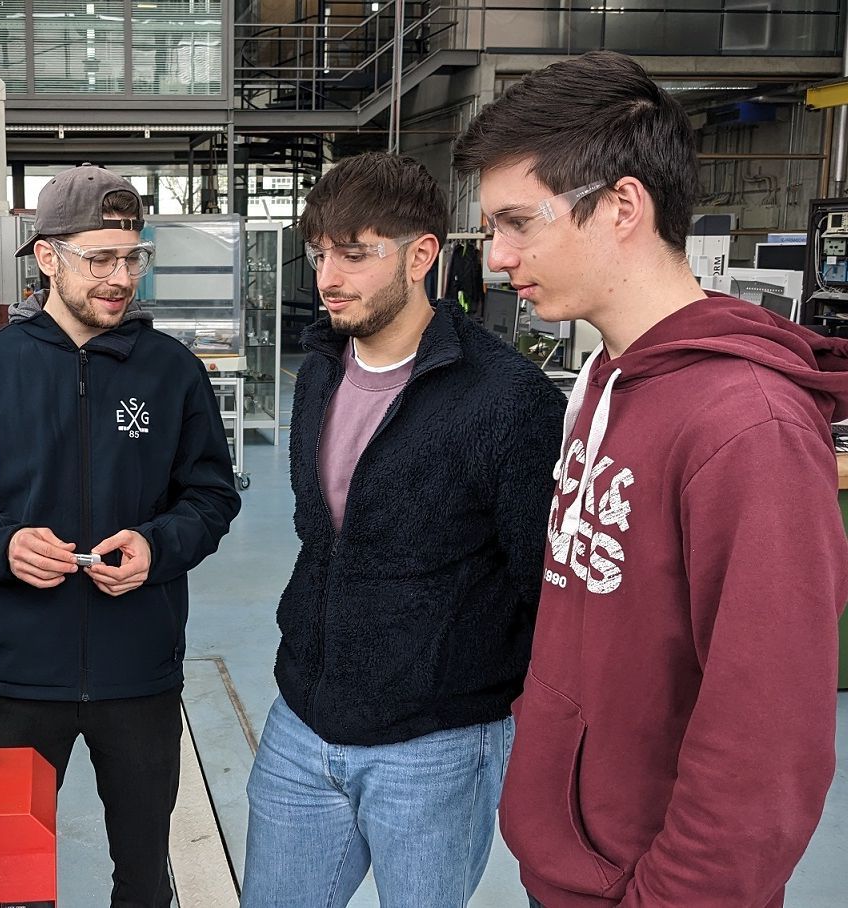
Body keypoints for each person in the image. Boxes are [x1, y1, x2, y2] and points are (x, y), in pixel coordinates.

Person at [453, 50, 848, 908]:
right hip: (571, 856)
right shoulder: (608, 377)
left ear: (623, 205)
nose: (496, 257)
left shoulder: (749, 427)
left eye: (519, 222)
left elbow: (767, 743)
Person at [241, 152, 565, 908]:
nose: (328, 278)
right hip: (303, 721)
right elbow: (322, 537)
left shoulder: (507, 401)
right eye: (320, 254)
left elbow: (540, 586)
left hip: (436, 745)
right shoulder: (320, 370)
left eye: (356, 255)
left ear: (422, 254)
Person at [0, 163, 240, 907]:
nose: (121, 276)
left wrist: (157, 547)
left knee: (141, 876)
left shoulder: (173, 373)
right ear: (47, 257)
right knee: (6, 876)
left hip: (141, 676)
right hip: (20, 674)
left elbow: (211, 497)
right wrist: (1, 545)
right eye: (100, 258)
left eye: (133, 256)